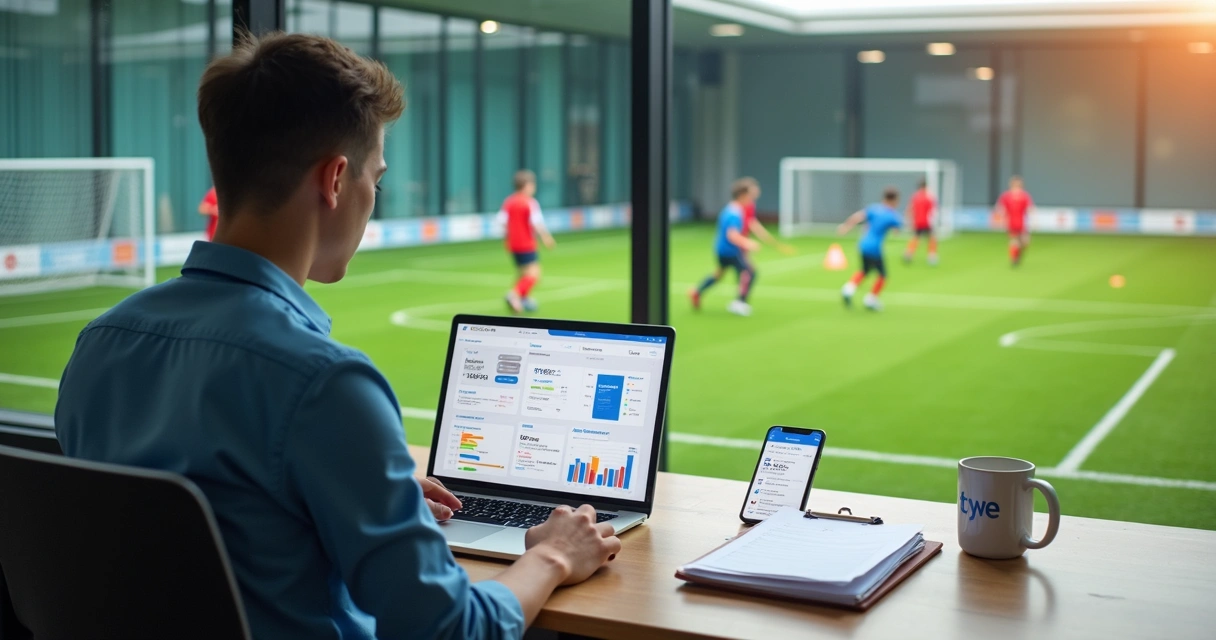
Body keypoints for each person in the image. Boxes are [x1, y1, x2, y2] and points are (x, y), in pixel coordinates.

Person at [55, 32, 619, 640]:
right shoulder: (323, 383)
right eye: (375, 179)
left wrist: (367, 497)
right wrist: (553, 555)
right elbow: (450, 631)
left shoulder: (99, 344)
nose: (372, 199)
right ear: (334, 180)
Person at [690, 178, 762, 316]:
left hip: (722, 249)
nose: (753, 198)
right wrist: (748, 243)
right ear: (742, 195)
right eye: (751, 195)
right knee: (749, 272)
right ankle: (740, 303)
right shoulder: (734, 212)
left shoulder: (733, 209)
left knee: (719, 274)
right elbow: (732, 235)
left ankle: (697, 292)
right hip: (730, 250)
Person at [497, 169, 555, 314]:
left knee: (522, 273)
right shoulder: (529, 202)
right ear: (527, 185)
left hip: (514, 244)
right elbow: (536, 223)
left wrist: (508, 237)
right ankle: (514, 295)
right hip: (526, 244)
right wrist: (546, 238)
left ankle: (523, 299)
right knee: (534, 274)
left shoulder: (509, 201)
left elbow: (502, 221)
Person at [838, 187, 903, 312]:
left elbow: (857, 217)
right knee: (883, 275)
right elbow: (897, 230)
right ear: (894, 200)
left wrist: (846, 227)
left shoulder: (873, 208)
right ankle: (871, 300)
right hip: (874, 248)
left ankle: (848, 289)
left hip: (863, 244)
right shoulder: (892, 215)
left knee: (865, 270)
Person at [738, 178, 795, 257]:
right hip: (735, 243)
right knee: (746, 268)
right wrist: (745, 242)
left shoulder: (750, 206)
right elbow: (732, 232)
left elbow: (753, 224)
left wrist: (774, 243)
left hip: (741, 241)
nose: (757, 192)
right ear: (744, 193)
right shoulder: (734, 209)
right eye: (753, 191)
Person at [994, 175, 1034, 267]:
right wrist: (1000, 216)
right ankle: (1014, 260)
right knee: (1014, 241)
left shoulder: (1024, 196)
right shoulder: (1006, 196)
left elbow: (1030, 208)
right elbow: (1000, 207)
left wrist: (1034, 219)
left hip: (1022, 223)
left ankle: (1018, 254)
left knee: (1025, 242)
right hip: (1011, 222)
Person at [901, 179, 938, 266]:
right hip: (926, 221)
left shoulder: (915, 197)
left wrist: (909, 220)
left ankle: (908, 254)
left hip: (917, 221)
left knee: (916, 237)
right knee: (932, 238)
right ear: (925, 187)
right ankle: (932, 257)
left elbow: (909, 209)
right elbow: (932, 210)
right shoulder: (929, 197)